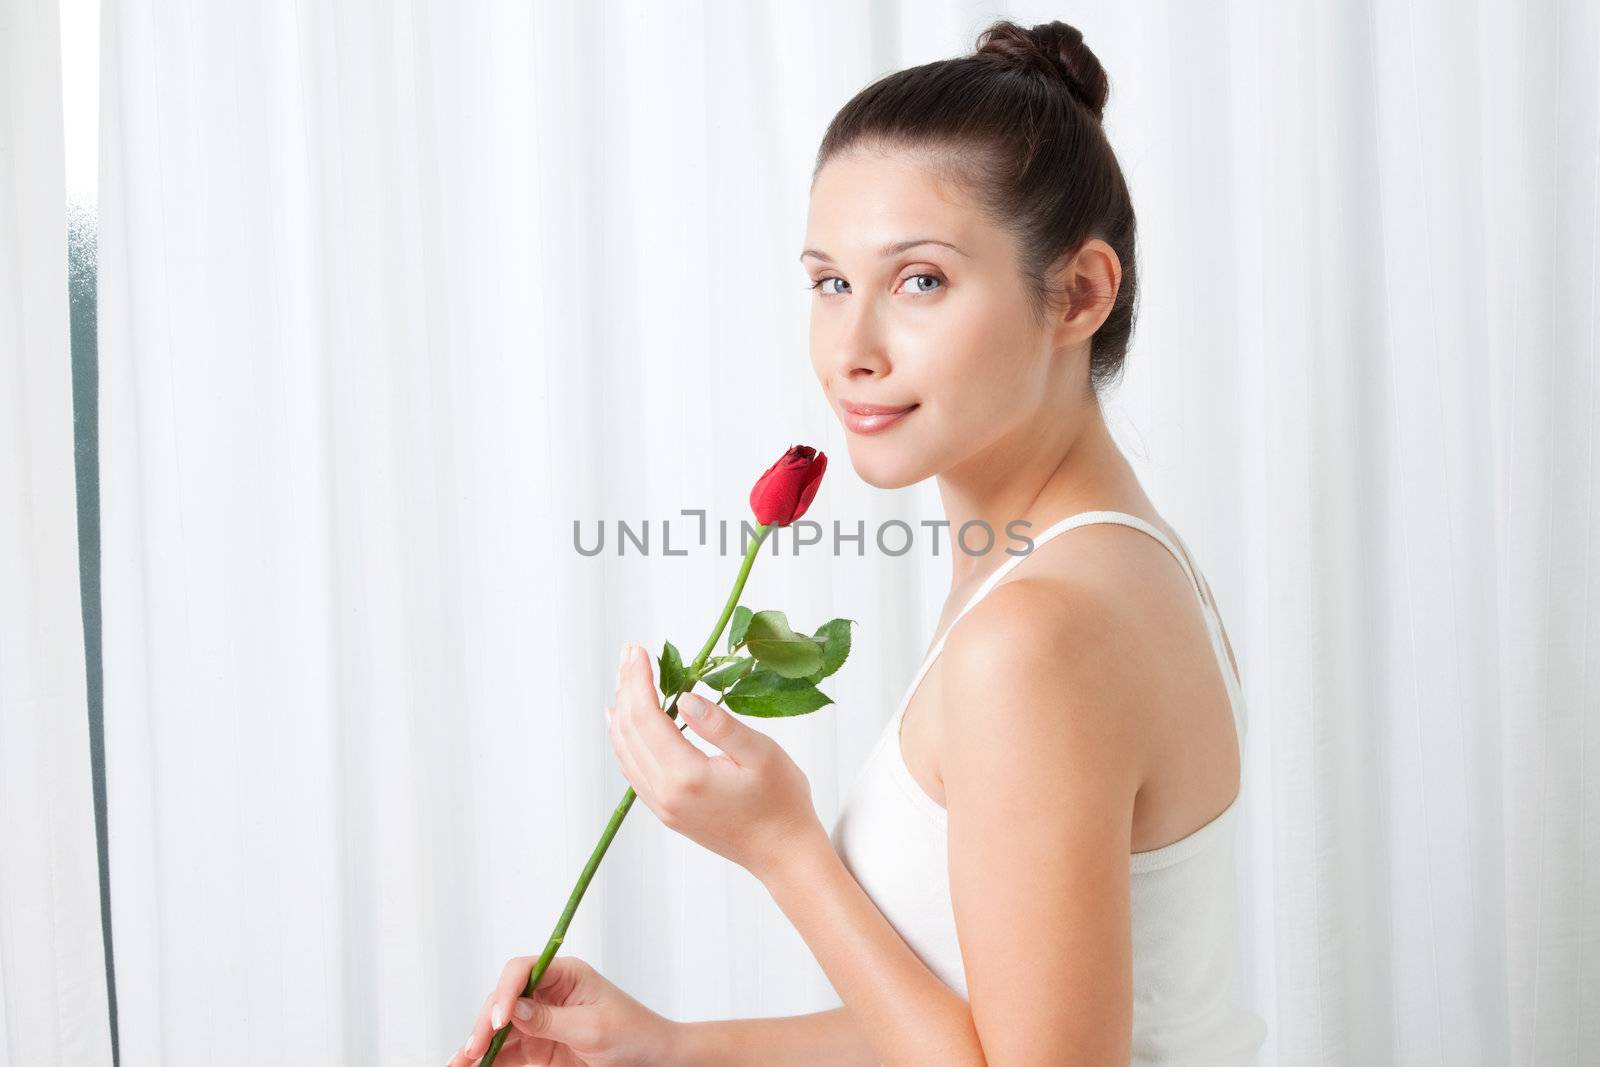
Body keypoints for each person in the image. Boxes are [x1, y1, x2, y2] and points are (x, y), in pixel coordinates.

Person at [448, 17, 1268, 1067]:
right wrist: (669, 1045)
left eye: (918, 280)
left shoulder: (1038, 634)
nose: (850, 350)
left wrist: (783, 846)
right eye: (830, 282)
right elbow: (998, 1019)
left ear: (1078, 293)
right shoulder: (1096, 562)